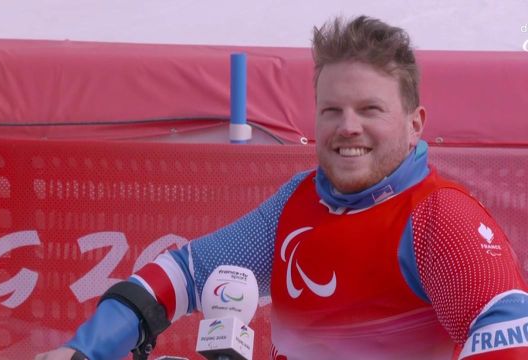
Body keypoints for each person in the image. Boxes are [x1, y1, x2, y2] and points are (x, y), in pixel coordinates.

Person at [36, 15, 528, 360]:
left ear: (416, 124)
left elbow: (506, 339)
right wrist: (85, 349)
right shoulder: (299, 201)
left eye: (370, 110)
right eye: (332, 110)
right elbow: (183, 274)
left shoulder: (440, 218)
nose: (347, 127)